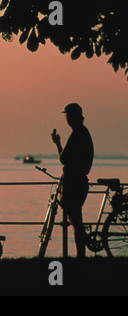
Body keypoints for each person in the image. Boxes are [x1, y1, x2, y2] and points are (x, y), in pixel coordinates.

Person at [51, 103, 94, 258]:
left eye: (68, 115)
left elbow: (63, 158)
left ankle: (80, 256)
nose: (66, 119)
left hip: (75, 182)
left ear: (74, 117)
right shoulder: (83, 132)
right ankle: (80, 255)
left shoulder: (77, 134)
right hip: (79, 180)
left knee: (76, 221)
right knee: (76, 220)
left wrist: (57, 143)